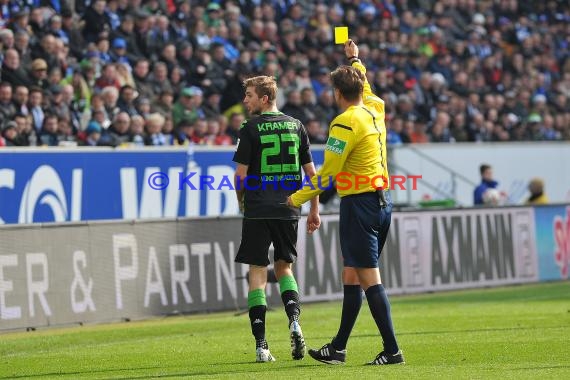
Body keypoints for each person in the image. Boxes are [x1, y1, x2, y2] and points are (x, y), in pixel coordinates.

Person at [287, 39, 405, 365]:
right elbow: (364, 86)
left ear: (337, 94)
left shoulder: (344, 122)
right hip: (383, 203)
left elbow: (328, 174)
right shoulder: (374, 108)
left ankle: (392, 351)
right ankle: (338, 348)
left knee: (369, 278)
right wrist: (355, 60)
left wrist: (294, 199)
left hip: (360, 206)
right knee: (351, 275)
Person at [233, 75, 321, 363]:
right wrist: (314, 210)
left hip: (258, 208)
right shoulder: (297, 126)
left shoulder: (250, 128)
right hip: (288, 209)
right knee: (285, 268)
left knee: (257, 273)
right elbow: (313, 176)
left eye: (249, 95)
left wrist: (241, 200)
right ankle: (294, 321)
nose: (245, 100)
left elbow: (240, 176)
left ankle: (262, 346)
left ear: (265, 98)